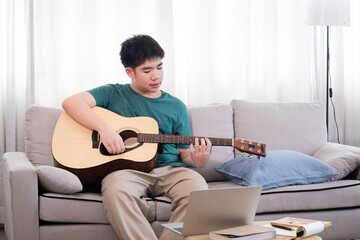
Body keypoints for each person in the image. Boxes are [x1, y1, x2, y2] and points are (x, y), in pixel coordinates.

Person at [62, 34, 213, 240]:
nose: (156, 76)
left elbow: (186, 154)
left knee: (198, 188)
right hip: (126, 171)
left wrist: (196, 160)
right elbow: (71, 103)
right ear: (130, 72)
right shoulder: (113, 93)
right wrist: (105, 129)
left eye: (160, 67)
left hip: (171, 170)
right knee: (116, 192)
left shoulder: (176, 106)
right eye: (147, 70)